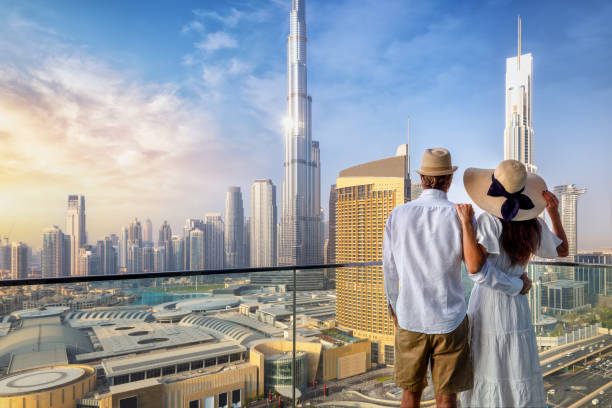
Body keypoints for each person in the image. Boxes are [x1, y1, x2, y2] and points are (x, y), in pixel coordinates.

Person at [383, 149, 532, 408]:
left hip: (410, 317)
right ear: (449, 180)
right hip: (450, 319)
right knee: (447, 398)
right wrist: (517, 281)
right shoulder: (461, 216)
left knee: (410, 396)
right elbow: (476, 266)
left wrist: (393, 308)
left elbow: (389, 268)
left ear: (421, 178)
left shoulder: (397, 215)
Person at [457, 159, 569, 407]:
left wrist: (516, 285)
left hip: (488, 302)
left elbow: (477, 270)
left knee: (488, 363)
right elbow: (562, 251)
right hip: (516, 305)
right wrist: (553, 213)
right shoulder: (534, 225)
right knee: (516, 363)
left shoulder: (488, 221)